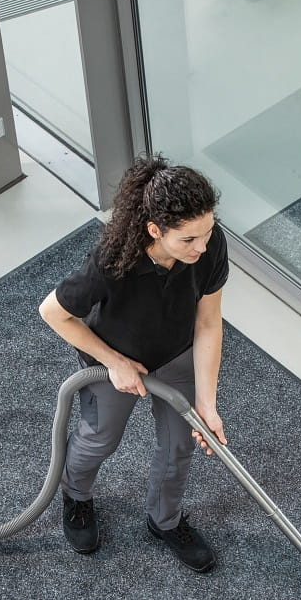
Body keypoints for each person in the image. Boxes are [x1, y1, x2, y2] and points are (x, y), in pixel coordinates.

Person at [38, 154, 228, 572]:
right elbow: (52, 312)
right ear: (155, 230)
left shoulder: (209, 245)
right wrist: (114, 361)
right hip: (113, 361)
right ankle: (76, 495)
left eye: (208, 232)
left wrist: (207, 402)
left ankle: (165, 520)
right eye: (188, 240)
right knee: (100, 439)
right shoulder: (112, 260)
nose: (202, 247)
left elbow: (208, 322)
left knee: (179, 446)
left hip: (176, 355)